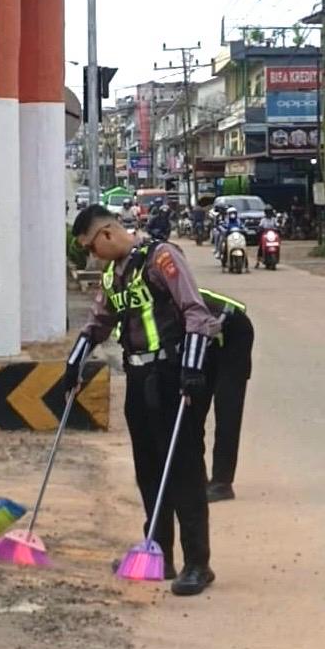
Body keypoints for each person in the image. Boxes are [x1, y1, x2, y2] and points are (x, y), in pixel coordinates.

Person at [64, 205, 219, 596]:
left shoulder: (162, 258)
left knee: (182, 468)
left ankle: (197, 563)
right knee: (149, 469)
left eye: (90, 246)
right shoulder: (113, 275)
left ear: (107, 234)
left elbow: (196, 313)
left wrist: (192, 371)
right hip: (137, 378)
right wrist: (73, 364)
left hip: (171, 375)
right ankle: (158, 552)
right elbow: (98, 323)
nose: (91, 255)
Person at [193, 290, 253, 502]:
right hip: (205, 340)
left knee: (227, 408)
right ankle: (196, 476)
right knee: (194, 409)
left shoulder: (174, 295)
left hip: (233, 333)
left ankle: (222, 482)